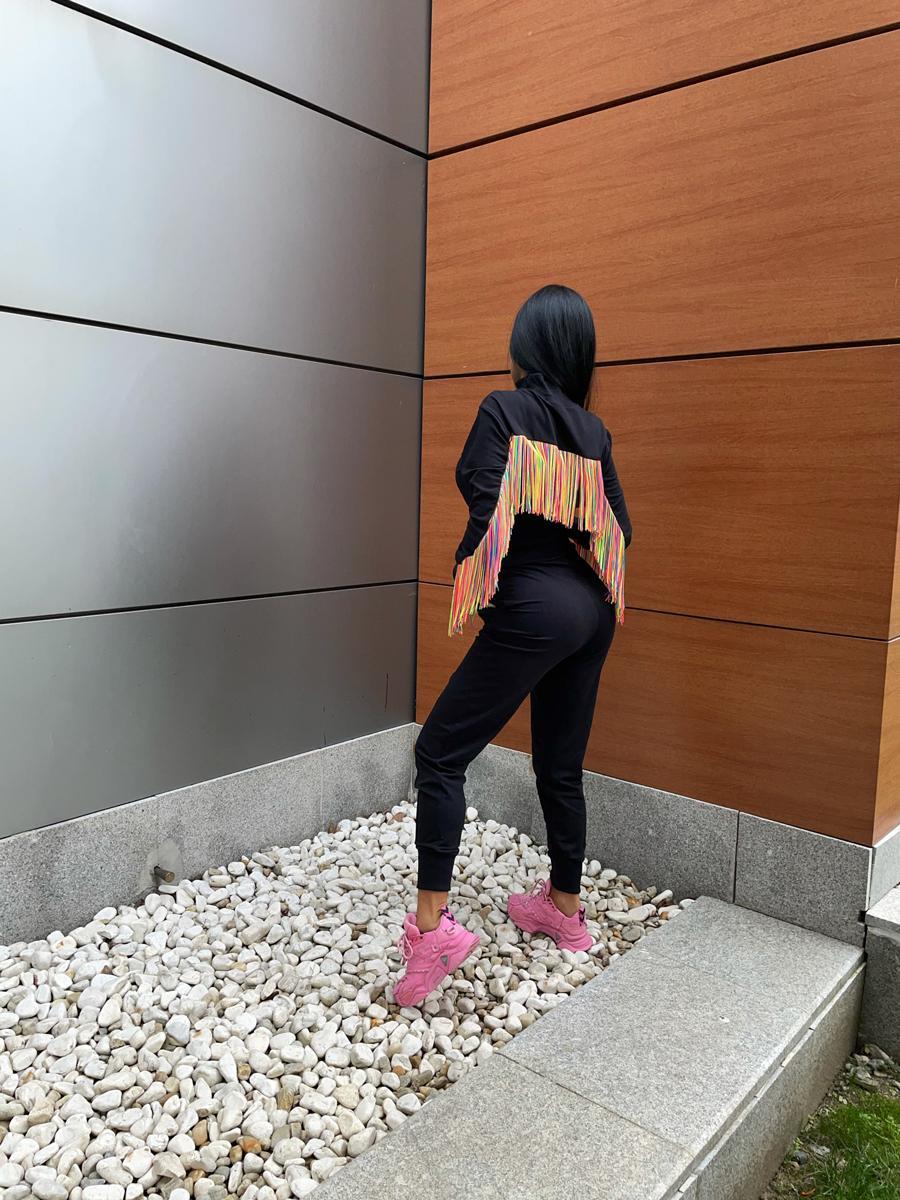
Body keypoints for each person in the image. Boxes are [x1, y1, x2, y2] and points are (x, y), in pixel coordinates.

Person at [393, 284, 632, 1008]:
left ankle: (432, 931)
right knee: (561, 765)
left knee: (439, 753)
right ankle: (564, 912)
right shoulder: (593, 432)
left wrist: (481, 575)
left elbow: (484, 496)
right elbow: (617, 531)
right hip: (591, 610)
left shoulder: (504, 410)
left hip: (533, 602)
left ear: (524, 348)